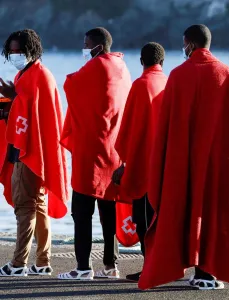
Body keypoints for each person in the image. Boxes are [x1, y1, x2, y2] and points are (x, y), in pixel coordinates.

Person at [138, 24, 229, 291]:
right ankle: (207, 272)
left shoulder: (178, 76)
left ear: (190, 44)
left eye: (184, 44)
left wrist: (161, 161)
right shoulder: (228, 74)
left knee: (184, 212)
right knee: (214, 213)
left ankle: (195, 269)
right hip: (220, 162)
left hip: (183, 162)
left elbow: (165, 127)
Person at [57, 27, 131, 280]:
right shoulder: (122, 67)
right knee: (108, 210)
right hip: (114, 151)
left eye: (87, 43)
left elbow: (71, 84)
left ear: (98, 46)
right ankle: (111, 266)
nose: (84, 47)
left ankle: (83, 267)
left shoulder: (97, 65)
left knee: (81, 212)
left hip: (92, 151)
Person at [0, 29, 69, 276]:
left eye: (19, 50)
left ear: (32, 49)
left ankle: (18, 264)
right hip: (30, 148)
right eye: (12, 51)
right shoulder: (27, 73)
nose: (15, 54)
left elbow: (32, 112)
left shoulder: (36, 75)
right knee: (37, 205)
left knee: (24, 207)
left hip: (30, 151)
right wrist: (10, 101)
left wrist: (12, 97)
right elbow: (29, 109)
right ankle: (42, 261)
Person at [112, 42, 168, 282]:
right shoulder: (168, 82)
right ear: (162, 62)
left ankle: (151, 268)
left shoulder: (141, 84)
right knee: (163, 219)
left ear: (141, 61)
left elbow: (129, 129)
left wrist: (123, 163)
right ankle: (167, 266)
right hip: (166, 164)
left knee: (144, 222)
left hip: (144, 166)